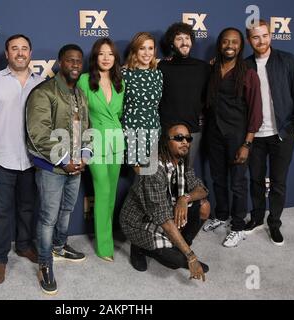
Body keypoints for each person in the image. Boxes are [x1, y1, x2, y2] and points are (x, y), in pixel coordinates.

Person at [0, 34, 44, 284]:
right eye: (14, 48)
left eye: (24, 48)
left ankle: (24, 245)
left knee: (28, 208)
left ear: (30, 53)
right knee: (2, 212)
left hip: (32, 160)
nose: (20, 53)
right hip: (1, 159)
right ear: (6, 54)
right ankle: (0, 259)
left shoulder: (42, 83)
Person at [26, 44, 91, 295]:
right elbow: (38, 134)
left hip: (75, 165)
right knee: (48, 217)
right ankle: (44, 263)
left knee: (66, 210)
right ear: (60, 63)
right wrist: (65, 160)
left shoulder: (80, 94)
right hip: (52, 168)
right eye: (69, 61)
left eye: (78, 61)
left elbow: (86, 128)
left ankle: (59, 246)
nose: (75, 65)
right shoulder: (44, 92)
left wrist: (84, 155)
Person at [244, 19, 294, 245]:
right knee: (256, 180)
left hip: (282, 134)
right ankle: (257, 218)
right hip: (256, 136)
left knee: (279, 182)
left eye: (264, 35)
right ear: (248, 40)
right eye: (255, 37)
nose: (261, 40)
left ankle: (274, 223)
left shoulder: (287, 60)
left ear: (270, 35)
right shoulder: (246, 65)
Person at [120, 122, 210, 280]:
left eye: (188, 139)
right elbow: (163, 218)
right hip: (139, 222)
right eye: (179, 138)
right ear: (166, 142)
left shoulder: (182, 162)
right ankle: (139, 247)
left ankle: (178, 247)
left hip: (164, 213)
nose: (185, 142)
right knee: (174, 263)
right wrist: (191, 257)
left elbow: (201, 189)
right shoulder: (153, 169)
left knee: (204, 206)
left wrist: (185, 198)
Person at [202, 28, 263, 248]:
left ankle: (237, 227)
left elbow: (256, 112)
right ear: (220, 44)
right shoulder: (212, 69)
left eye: (234, 42)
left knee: (237, 183)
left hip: (238, 136)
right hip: (214, 134)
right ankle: (221, 215)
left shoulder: (248, 74)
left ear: (240, 45)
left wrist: (247, 143)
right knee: (218, 179)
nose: (230, 45)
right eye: (226, 41)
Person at [77, 38, 125, 262]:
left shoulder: (120, 82)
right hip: (94, 142)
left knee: (111, 193)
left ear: (115, 58)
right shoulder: (85, 81)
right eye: (101, 54)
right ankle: (104, 245)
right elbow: (77, 117)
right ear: (95, 57)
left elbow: (121, 114)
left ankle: (108, 236)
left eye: (110, 54)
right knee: (103, 191)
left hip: (116, 142)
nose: (106, 58)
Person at [158, 22, 210, 165]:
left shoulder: (203, 67)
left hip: (192, 130)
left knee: (187, 175)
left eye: (187, 38)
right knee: (164, 174)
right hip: (167, 130)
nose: (184, 42)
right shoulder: (162, 66)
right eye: (179, 39)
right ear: (172, 43)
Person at [122, 32, 162, 170]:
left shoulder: (157, 74)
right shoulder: (125, 74)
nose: (147, 53)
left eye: (150, 48)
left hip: (153, 129)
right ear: (135, 50)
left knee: (150, 176)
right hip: (132, 130)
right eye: (142, 48)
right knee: (139, 175)